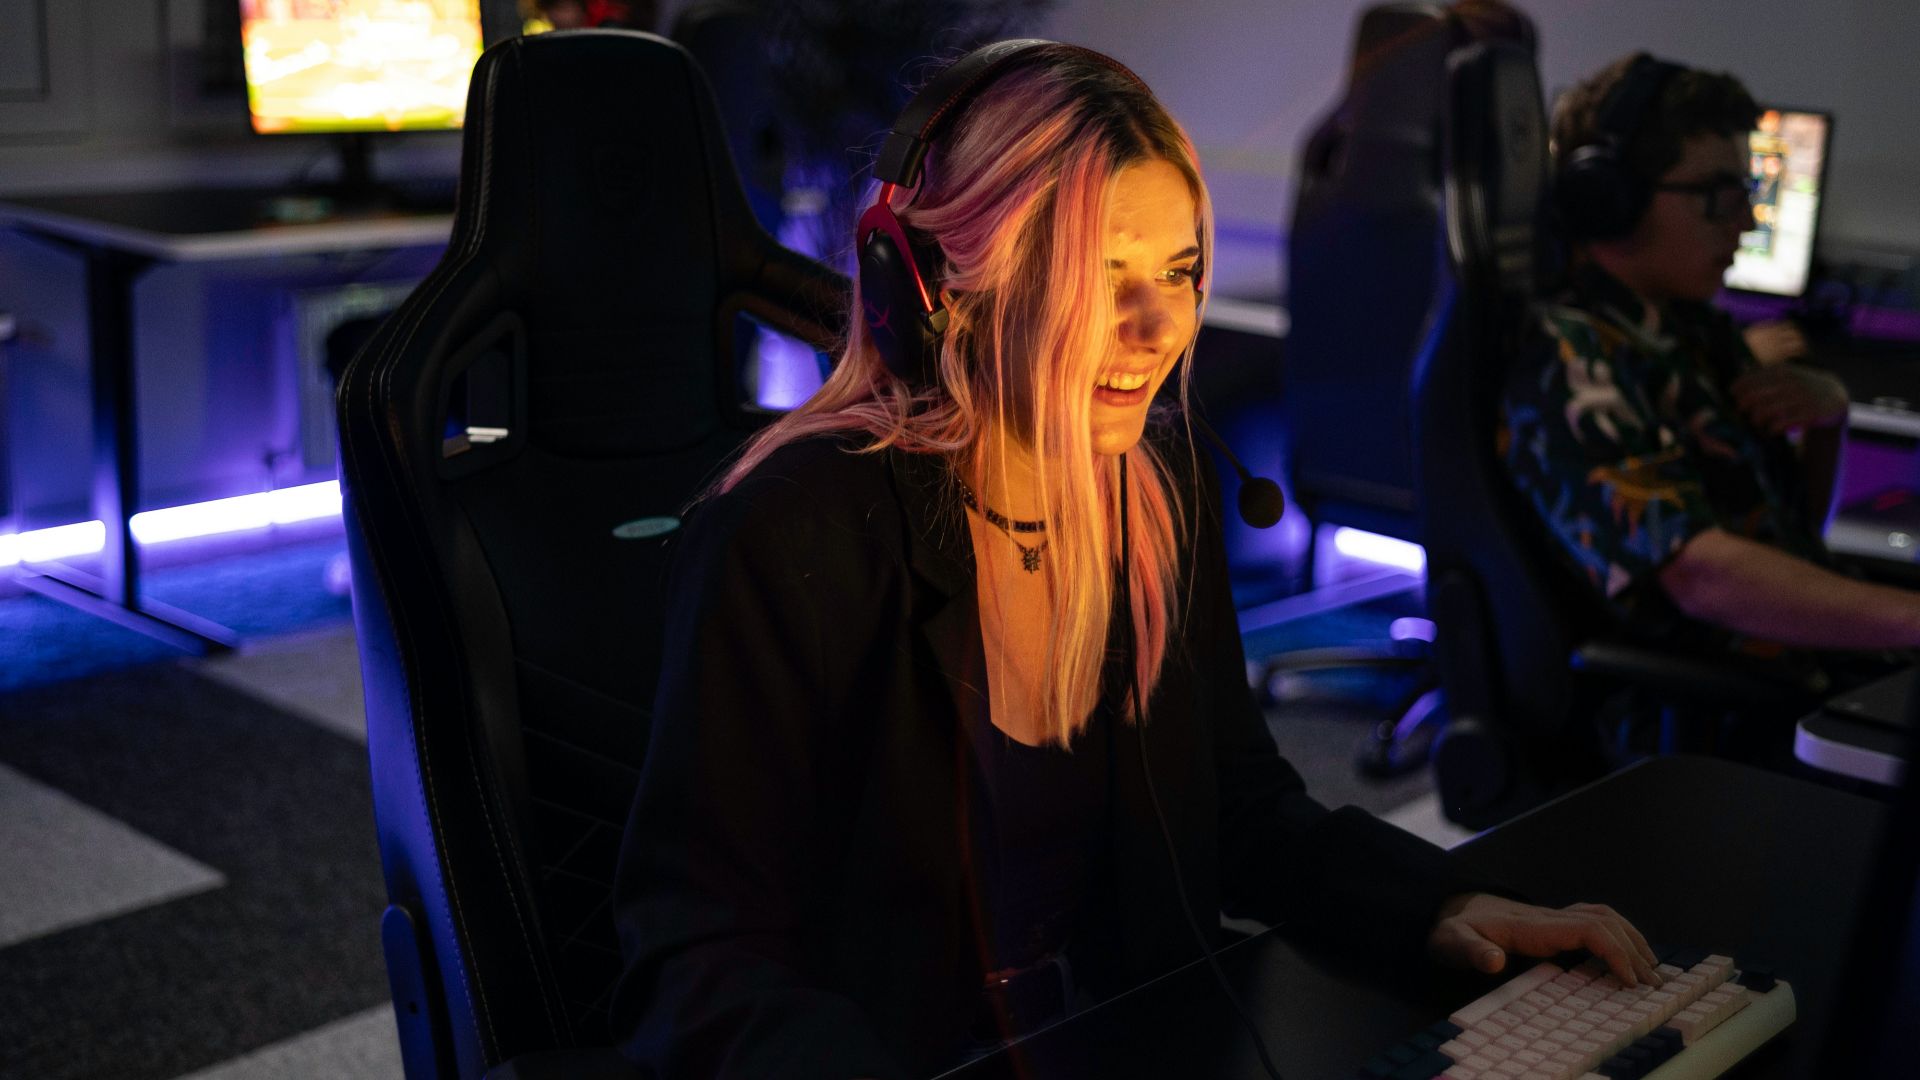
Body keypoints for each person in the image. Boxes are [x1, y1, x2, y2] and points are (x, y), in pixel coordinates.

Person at [611, 41, 1659, 1079]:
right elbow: (699, 956)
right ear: (937, 287)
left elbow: (1242, 813)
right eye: (1102, 273)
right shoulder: (794, 531)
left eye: (1180, 269)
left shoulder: (1151, 491)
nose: (1160, 325)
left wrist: (1440, 904)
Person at [1505, 52, 1920, 679]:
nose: (1747, 222)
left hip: (1806, 668)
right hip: (1715, 714)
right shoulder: (1570, 357)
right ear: (1613, 198)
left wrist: (1829, 416)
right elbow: (1701, 577)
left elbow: (1788, 536)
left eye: (1745, 195)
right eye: (1719, 197)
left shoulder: (1691, 327)